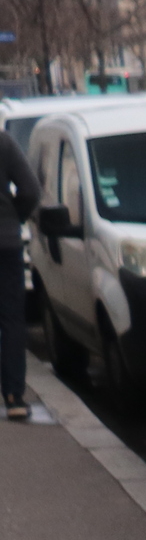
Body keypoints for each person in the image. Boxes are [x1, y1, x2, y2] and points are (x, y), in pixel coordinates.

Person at [0, 124, 36, 421]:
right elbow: (31, 190)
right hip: (5, 242)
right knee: (11, 319)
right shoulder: (5, 143)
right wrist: (15, 217)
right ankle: (14, 397)